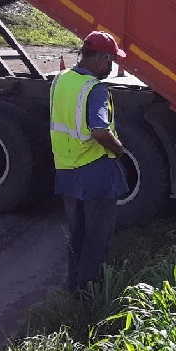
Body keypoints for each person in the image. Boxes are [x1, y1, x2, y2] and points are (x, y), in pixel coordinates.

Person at [50, 31, 128, 297]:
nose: (111, 68)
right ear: (102, 58)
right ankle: (90, 296)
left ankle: (73, 287)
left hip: (67, 171)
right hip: (95, 171)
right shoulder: (95, 89)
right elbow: (99, 130)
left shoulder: (61, 80)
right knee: (97, 237)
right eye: (111, 61)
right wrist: (120, 151)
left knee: (77, 236)